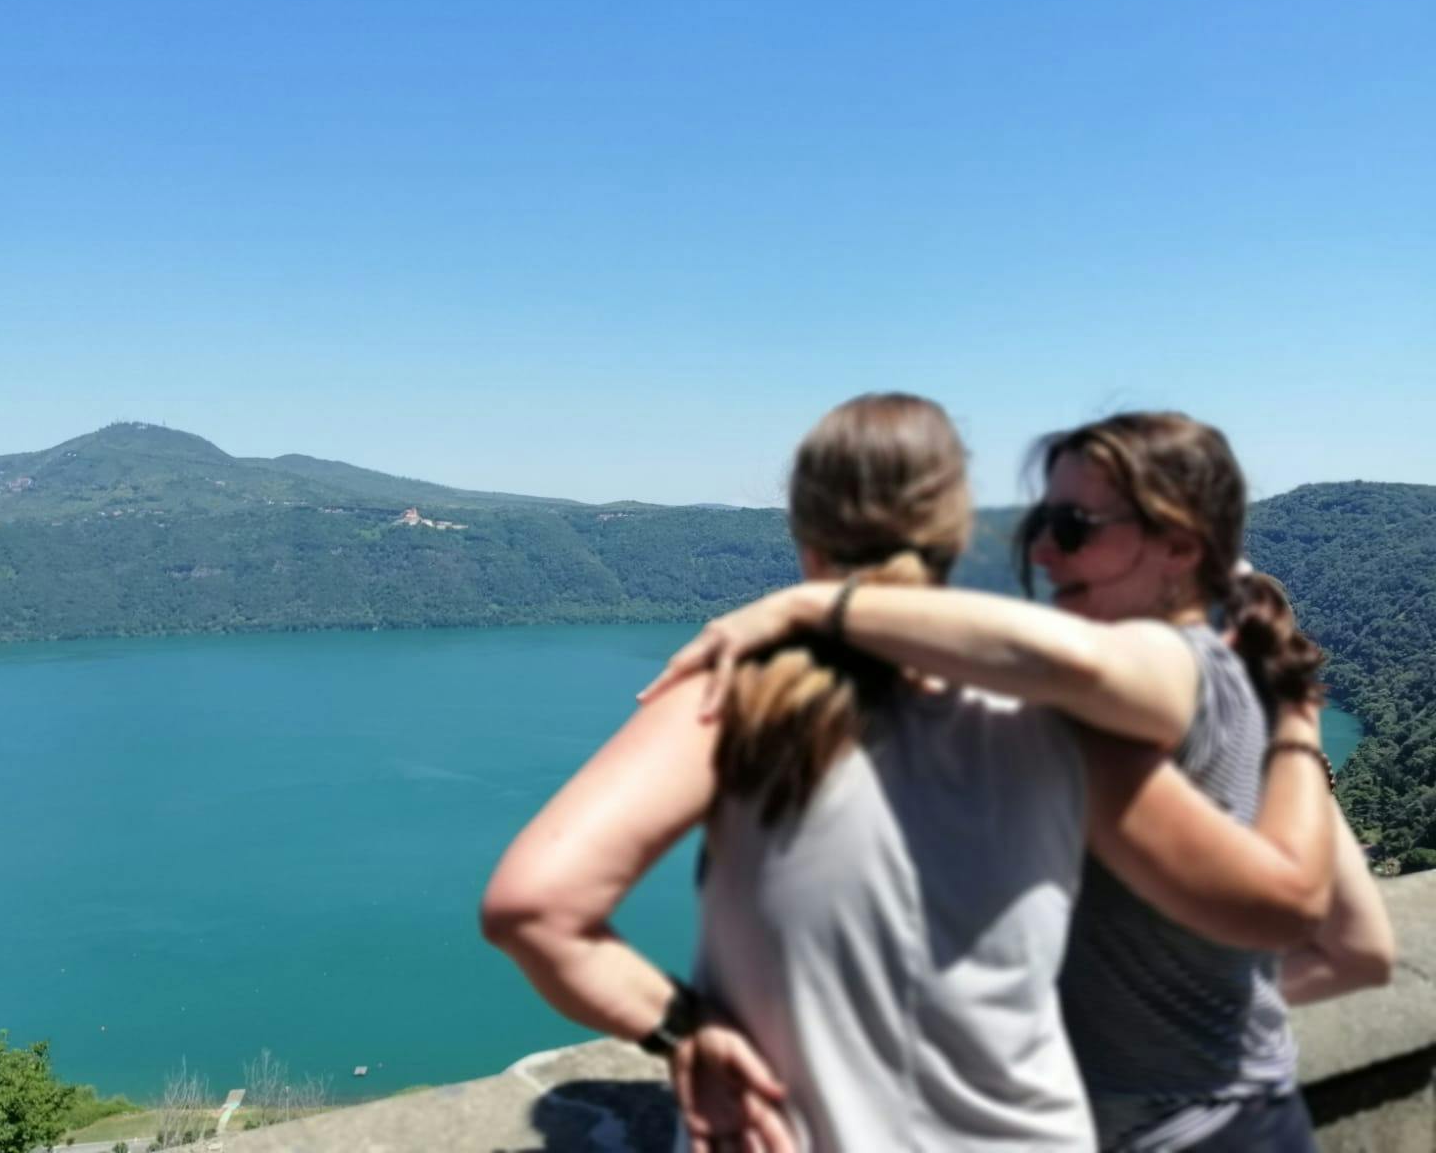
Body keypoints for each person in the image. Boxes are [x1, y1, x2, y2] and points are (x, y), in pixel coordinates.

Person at [484, 396, 1345, 1151]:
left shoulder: (733, 697)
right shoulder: (1060, 714)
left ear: (802, 529)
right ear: (954, 532)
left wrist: (684, 1031)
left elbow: (534, 906)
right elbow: (1261, 902)